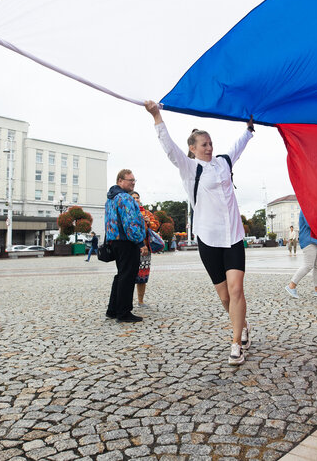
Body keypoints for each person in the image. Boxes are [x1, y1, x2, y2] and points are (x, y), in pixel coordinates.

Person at [145, 100, 254, 365]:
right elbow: (169, 149)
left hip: (234, 237)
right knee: (225, 296)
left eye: (210, 143)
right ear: (192, 149)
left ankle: (236, 342)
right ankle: (242, 325)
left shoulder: (224, 162)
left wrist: (249, 129)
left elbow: (238, 145)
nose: (209, 147)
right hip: (208, 239)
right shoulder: (189, 168)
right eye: (203, 144)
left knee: (236, 289)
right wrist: (157, 116)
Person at [104, 169, 147, 323]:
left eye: (134, 180)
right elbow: (130, 222)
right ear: (120, 181)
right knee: (127, 276)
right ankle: (124, 312)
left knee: (120, 275)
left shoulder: (110, 198)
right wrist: (139, 241)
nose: (133, 183)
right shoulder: (125, 198)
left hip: (115, 241)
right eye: (130, 180)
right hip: (127, 241)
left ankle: (113, 309)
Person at [286, 211, 317, 298]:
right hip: (308, 240)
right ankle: (291, 286)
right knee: (308, 265)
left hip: (316, 240)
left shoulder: (313, 207)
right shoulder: (305, 208)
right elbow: (310, 224)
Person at [130, 191, 160, 307]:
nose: (136, 199)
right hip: (131, 248)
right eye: (133, 198)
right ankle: (127, 301)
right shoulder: (128, 211)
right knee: (129, 275)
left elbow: (156, 226)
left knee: (143, 275)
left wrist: (149, 222)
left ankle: (140, 301)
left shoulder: (146, 212)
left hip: (145, 248)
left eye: (137, 197)